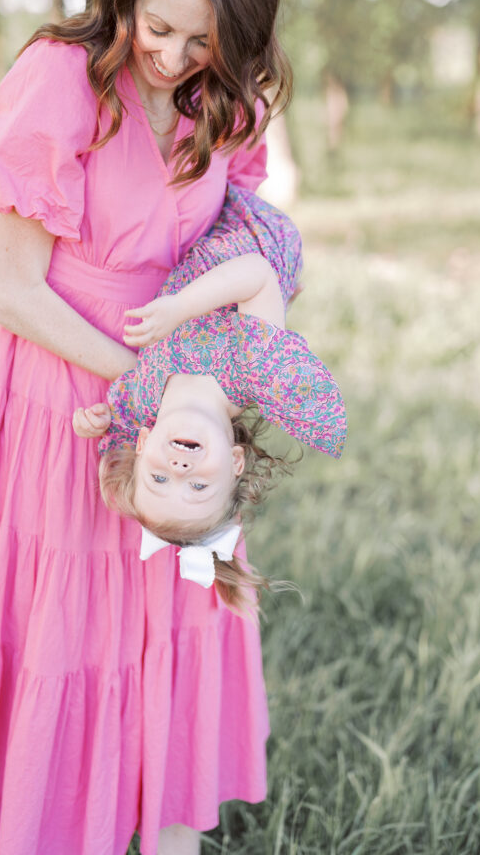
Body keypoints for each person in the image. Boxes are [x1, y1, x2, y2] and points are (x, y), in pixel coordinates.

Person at [0, 0, 293, 855]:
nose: (169, 57)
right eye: (156, 25)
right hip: (59, 388)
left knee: (169, 607)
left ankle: (161, 826)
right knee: (60, 627)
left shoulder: (222, 103)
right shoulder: (61, 78)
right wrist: (142, 384)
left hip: (178, 391)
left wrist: (217, 364)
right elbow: (9, 289)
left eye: (199, 42)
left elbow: (242, 234)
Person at [72, 185, 347, 610]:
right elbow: (255, 274)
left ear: (143, 446)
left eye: (158, 479)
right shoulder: (252, 372)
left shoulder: (144, 400)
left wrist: (91, 421)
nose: (179, 468)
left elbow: (117, 419)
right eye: (198, 486)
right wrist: (179, 308)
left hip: (202, 234)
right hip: (254, 235)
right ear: (236, 462)